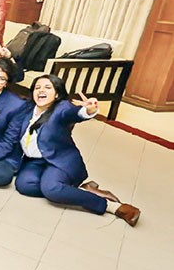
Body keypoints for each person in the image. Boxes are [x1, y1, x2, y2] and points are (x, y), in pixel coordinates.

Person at [12, 75, 141, 225]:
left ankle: (112, 206)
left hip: (60, 161)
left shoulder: (62, 108)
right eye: (37, 87)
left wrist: (88, 110)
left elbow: (75, 113)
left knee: (52, 189)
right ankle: (81, 190)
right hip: (36, 161)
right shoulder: (28, 109)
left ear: (57, 94)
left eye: (48, 88)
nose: (41, 91)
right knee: (24, 185)